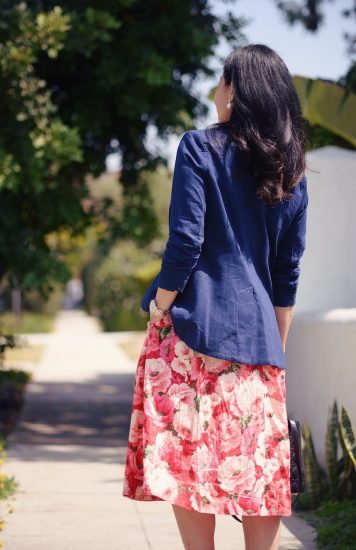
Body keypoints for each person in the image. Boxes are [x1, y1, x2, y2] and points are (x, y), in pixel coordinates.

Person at [122, 44, 309, 550]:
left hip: (194, 331)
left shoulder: (199, 147)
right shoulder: (291, 171)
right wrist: (276, 347)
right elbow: (285, 274)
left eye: (222, 81)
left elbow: (185, 243)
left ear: (236, 90)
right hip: (260, 343)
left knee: (190, 459)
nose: (215, 92)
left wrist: (159, 305)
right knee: (259, 471)